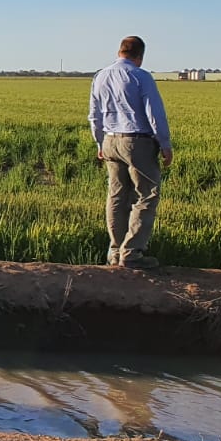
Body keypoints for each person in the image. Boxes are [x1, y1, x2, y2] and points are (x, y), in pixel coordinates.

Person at [87, 38, 172, 269]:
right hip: (137, 142)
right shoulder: (140, 76)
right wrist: (165, 143)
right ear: (140, 55)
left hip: (110, 141)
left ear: (119, 52)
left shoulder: (101, 76)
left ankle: (115, 252)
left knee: (116, 195)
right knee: (146, 195)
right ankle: (132, 254)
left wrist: (99, 143)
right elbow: (154, 112)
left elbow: (94, 115)